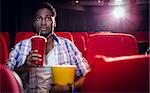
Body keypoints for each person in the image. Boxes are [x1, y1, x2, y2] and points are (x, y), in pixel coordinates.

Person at [6, 2, 90, 93]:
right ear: (34, 23)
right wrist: (24, 67)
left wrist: (69, 88)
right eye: (39, 19)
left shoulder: (68, 45)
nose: (43, 23)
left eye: (48, 18)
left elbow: (89, 76)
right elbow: (4, 78)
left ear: (54, 23)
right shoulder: (20, 47)